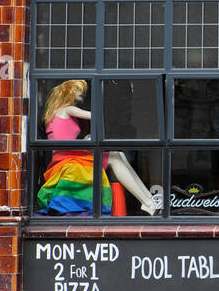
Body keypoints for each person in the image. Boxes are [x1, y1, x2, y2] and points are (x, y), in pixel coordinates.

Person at [37, 79, 158, 216]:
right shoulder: (67, 108)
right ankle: (147, 202)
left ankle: (148, 200)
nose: (83, 95)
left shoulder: (57, 113)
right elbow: (94, 116)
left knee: (118, 154)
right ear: (70, 92)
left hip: (69, 154)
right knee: (115, 159)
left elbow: (64, 137)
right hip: (68, 158)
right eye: (79, 92)